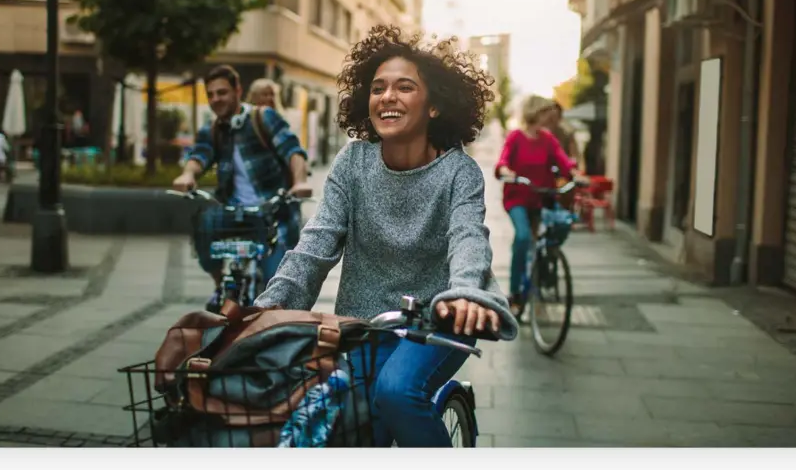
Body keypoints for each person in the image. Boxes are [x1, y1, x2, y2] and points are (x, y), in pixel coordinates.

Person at [253, 25, 519, 448]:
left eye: (405, 87)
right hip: (363, 324)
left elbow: (469, 238)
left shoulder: (458, 172)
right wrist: (268, 311)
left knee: (396, 392)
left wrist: (466, 293)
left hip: (439, 320)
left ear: (434, 106)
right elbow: (315, 245)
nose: (387, 97)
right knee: (353, 429)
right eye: (378, 88)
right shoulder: (352, 163)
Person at [173, 65, 312, 284]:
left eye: (222, 92)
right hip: (234, 211)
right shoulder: (212, 130)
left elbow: (293, 151)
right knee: (204, 224)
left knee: (274, 284)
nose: (215, 99)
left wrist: (300, 182)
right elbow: (199, 155)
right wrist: (188, 175)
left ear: (238, 90)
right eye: (210, 94)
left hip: (272, 214)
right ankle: (222, 286)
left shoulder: (263, 117)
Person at [494, 94, 576, 317]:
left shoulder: (548, 139)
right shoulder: (516, 137)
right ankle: (515, 294)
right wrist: (505, 171)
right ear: (535, 113)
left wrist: (574, 172)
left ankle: (544, 265)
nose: (550, 117)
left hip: (541, 197)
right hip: (517, 198)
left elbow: (563, 162)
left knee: (559, 227)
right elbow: (503, 161)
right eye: (545, 112)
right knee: (522, 237)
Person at [543, 100, 582, 172]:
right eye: (549, 118)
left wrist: (574, 167)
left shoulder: (566, 133)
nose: (552, 121)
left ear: (560, 117)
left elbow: (574, 156)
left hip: (562, 174)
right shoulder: (536, 134)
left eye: (555, 117)